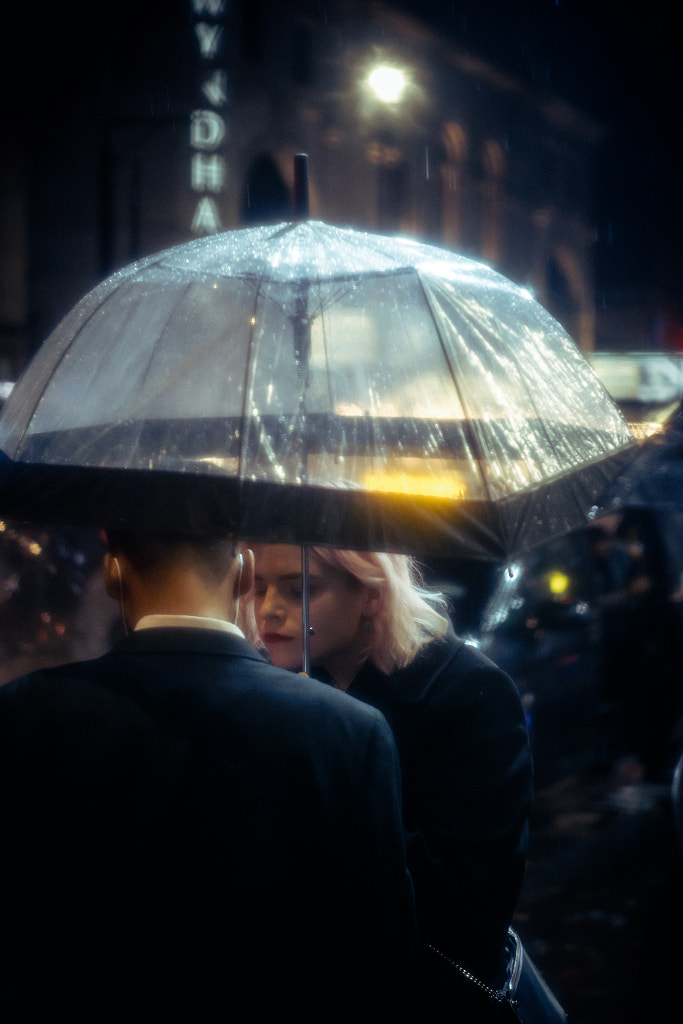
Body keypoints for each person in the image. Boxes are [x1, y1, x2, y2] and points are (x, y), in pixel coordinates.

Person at [0, 530, 416, 1017]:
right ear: (242, 574)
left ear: (113, 575)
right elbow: (381, 955)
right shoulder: (350, 730)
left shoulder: (22, 712)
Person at [250, 543, 534, 1011]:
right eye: (257, 588)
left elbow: (467, 899)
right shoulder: (273, 686)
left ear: (372, 595)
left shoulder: (467, 692)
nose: (269, 610)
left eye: (300, 590)